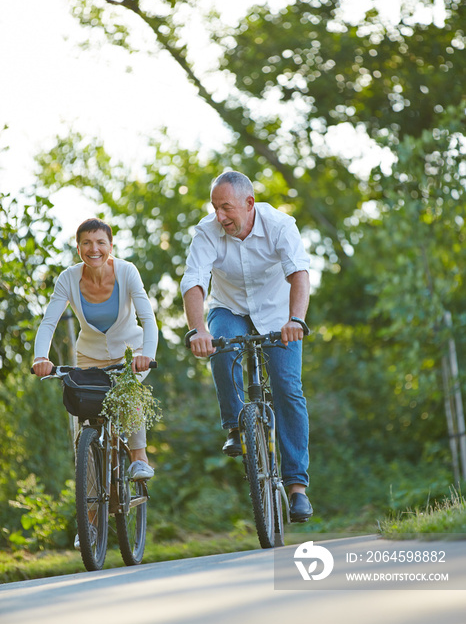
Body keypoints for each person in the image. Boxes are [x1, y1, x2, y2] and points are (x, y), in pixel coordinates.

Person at [180, 171, 313, 522]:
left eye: (226, 208)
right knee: (221, 348)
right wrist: (197, 330)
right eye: (215, 208)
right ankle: (235, 427)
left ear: (249, 203)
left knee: (288, 387)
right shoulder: (207, 232)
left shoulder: (280, 225)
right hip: (230, 308)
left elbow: (299, 273)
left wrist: (296, 320)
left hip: (278, 313)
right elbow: (193, 282)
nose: (220, 216)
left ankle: (297, 486)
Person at [32, 218, 158, 487]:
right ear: (78, 249)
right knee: (86, 428)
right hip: (90, 358)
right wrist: (40, 357)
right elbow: (49, 322)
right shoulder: (68, 278)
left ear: (110, 246)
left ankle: (139, 456)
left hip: (131, 353)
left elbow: (148, 318)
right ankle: (88, 522)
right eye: (87, 243)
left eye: (101, 242)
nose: (94, 248)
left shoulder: (127, 271)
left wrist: (146, 353)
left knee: (129, 388)